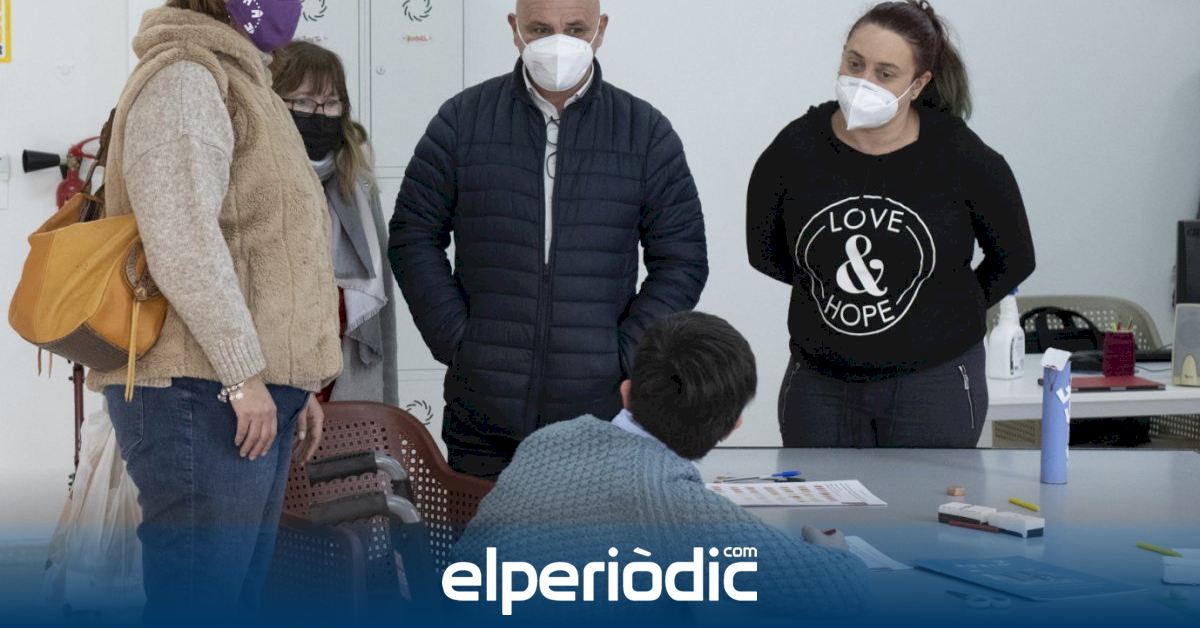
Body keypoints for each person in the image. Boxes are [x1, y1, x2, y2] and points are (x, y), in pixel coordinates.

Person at [89, 0, 341, 621]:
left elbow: (269, 246)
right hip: (198, 394)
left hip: (240, 389)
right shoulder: (186, 78)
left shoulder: (244, 83)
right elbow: (182, 240)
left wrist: (292, 375)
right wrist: (243, 375)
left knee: (235, 601)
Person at [390, 0, 708, 480]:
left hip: (599, 420)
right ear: (514, 28)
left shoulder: (643, 133)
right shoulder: (463, 120)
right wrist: (458, 341)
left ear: (600, 30)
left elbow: (682, 260)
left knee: (591, 535)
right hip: (483, 420)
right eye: (540, 28)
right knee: (484, 534)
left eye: (575, 29)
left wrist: (626, 355)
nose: (558, 43)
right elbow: (413, 235)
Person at [746, 0, 1035, 448]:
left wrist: (948, 306)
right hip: (820, 385)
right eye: (854, 63)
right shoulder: (796, 148)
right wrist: (826, 290)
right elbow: (764, 250)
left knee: (927, 496)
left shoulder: (961, 156)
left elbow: (1015, 257)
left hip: (933, 385)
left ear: (919, 84)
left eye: (885, 73)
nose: (864, 82)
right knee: (819, 496)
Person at [449, 312, 869, 620]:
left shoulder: (547, 439)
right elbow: (835, 590)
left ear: (626, 391)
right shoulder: (667, 499)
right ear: (732, 426)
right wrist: (834, 552)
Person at [271, 41, 400, 406]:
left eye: (330, 103)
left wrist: (386, 401)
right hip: (279, 375)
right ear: (273, 103)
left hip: (347, 370)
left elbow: (382, 307)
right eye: (303, 102)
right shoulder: (258, 182)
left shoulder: (356, 185)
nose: (319, 114)